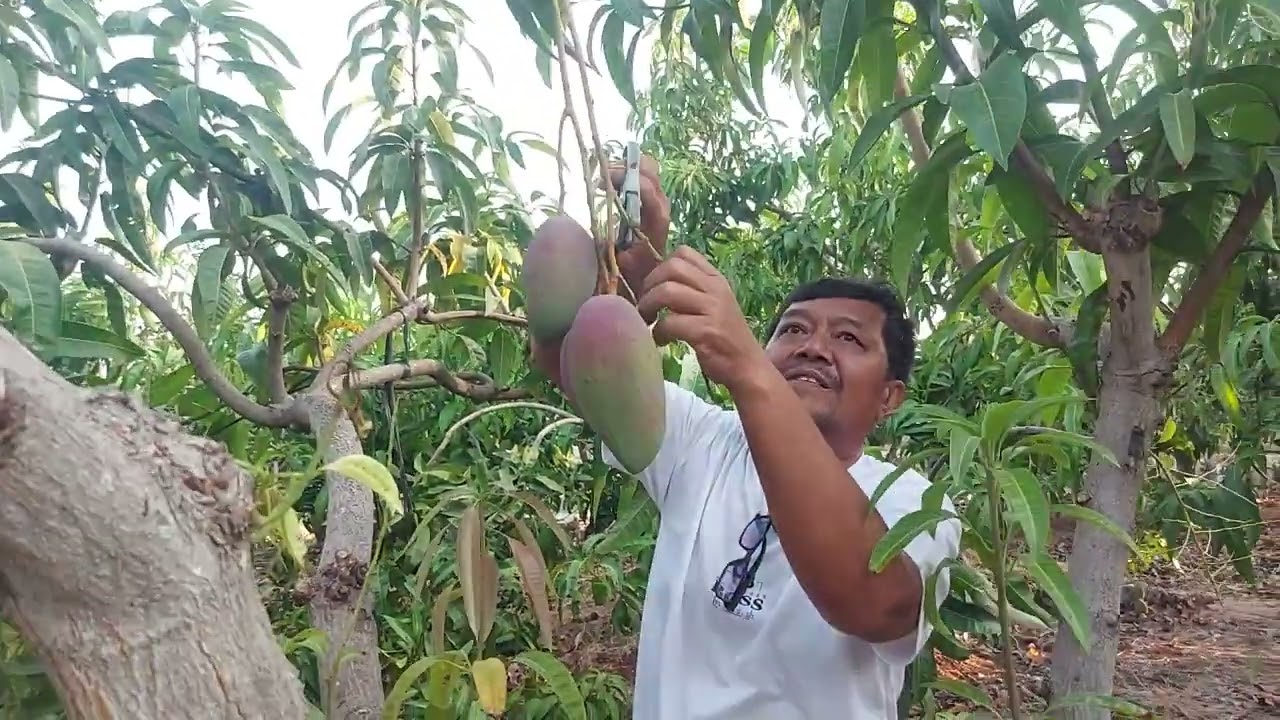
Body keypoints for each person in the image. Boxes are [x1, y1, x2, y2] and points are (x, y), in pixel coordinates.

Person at [530, 155, 962, 720]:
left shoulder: (914, 504)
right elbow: (564, 359)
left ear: (889, 397)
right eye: (793, 330)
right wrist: (620, 272)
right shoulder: (703, 443)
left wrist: (749, 370)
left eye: (850, 339)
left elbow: (874, 603)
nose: (812, 346)